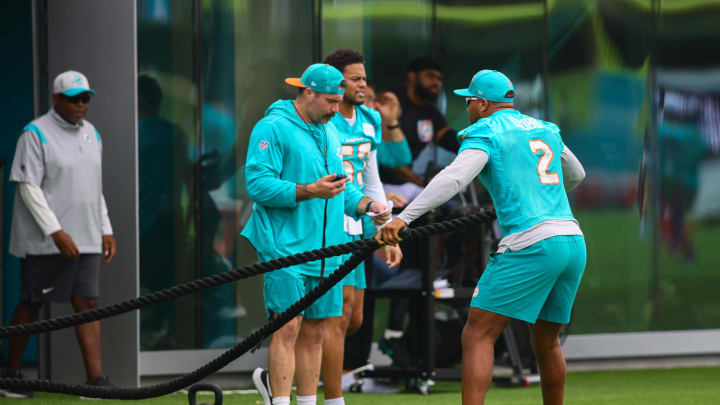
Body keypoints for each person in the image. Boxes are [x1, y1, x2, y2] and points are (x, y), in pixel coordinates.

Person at [377, 69, 587, 405]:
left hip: (532, 243)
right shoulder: (545, 127)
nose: (468, 106)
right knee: (547, 342)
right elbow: (576, 174)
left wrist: (404, 219)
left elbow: (454, 180)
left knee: (478, 333)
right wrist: (542, 193)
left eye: (470, 100)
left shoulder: (485, 130)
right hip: (572, 240)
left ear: (483, 103)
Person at [243, 63, 389, 405]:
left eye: (339, 102)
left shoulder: (330, 131)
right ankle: (279, 401)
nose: (336, 110)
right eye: (330, 102)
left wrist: (369, 207)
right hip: (284, 248)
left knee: (317, 330)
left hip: (328, 250)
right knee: (288, 327)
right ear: (307, 92)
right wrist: (308, 190)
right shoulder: (272, 127)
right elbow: (257, 184)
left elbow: (341, 189)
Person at [3, 70, 117, 397]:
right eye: (73, 98)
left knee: (88, 303)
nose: (81, 104)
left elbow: (94, 189)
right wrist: (56, 232)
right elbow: (27, 188)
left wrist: (105, 228)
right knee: (31, 302)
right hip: (45, 240)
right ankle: (10, 375)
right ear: (56, 99)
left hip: (87, 236)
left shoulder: (93, 134)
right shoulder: (34, 134)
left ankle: (95, 380)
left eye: (85, 98)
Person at [320, 49, 403, 403]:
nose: (363, 85)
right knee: (337, 319)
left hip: (360, 226)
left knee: (353, 319)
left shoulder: (370, 119)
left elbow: (373, 181)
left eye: (364, 79)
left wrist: (387, 232)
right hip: (328, 226)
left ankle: (281, 373)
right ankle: (333, 397)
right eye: (355, 79)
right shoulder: (325, 118)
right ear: (337, 84)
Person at [381, 56, 459, 202]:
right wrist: (422, 183)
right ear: (412, 76)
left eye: (439, 78)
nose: (436, 82)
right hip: (381, 185)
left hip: (408, 183)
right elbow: (389, 160)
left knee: (447, 211)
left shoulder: (429, 112)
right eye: (430, 75)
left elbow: (448, 138)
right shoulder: (392, 102)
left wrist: (476, 143)